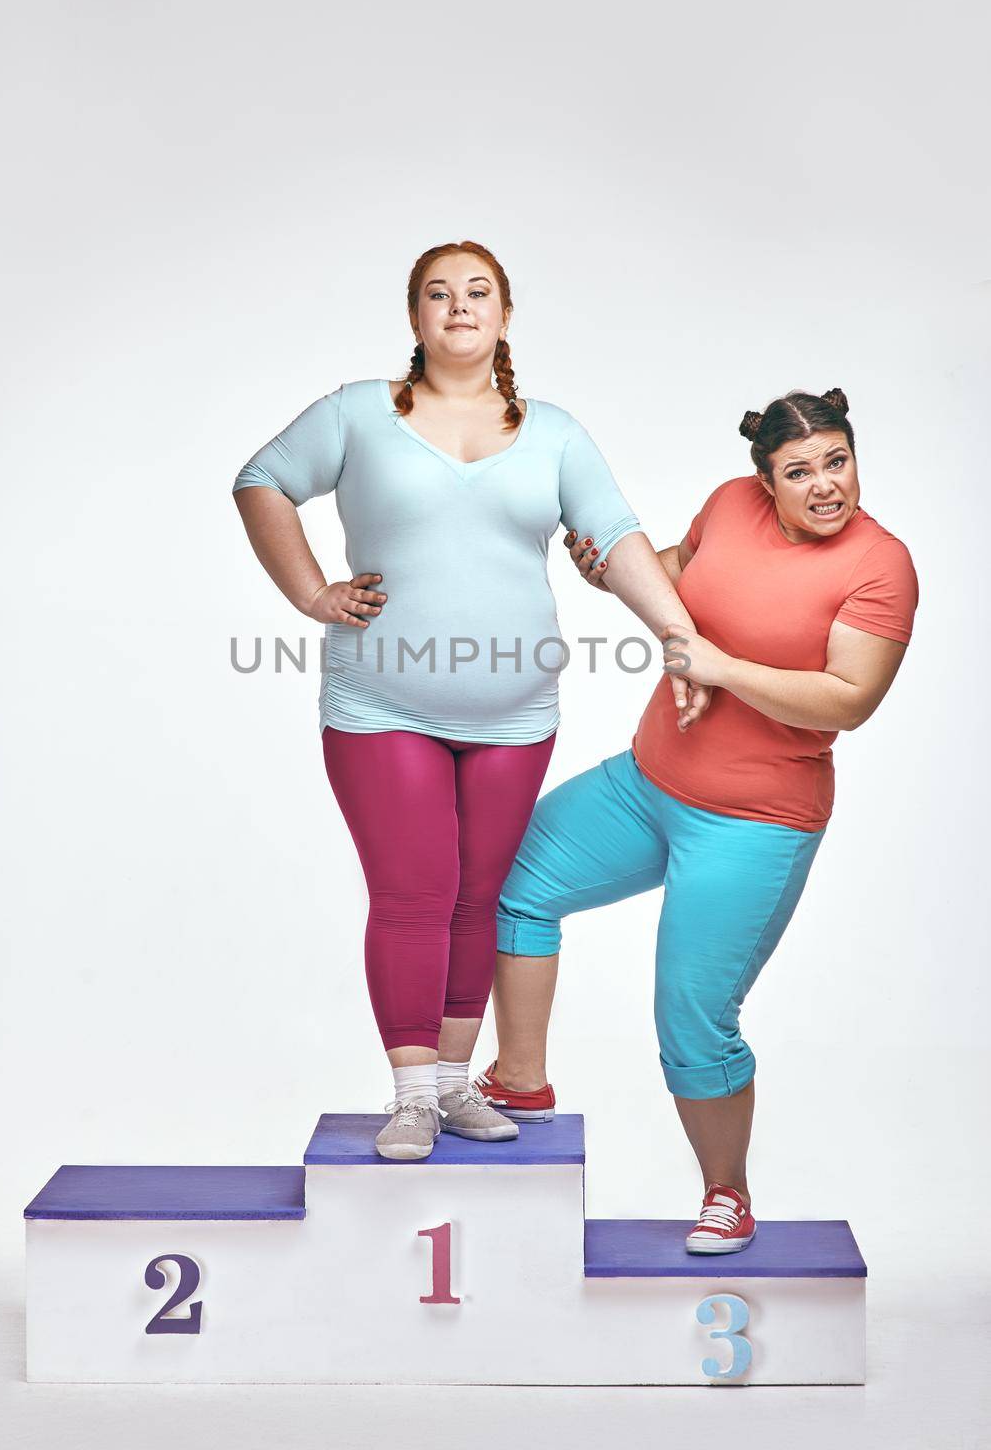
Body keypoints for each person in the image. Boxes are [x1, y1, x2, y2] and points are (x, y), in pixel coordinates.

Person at [231, 240, 708, 1160]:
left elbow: (614, 534)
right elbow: (261, 481)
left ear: (505, 313)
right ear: (414, 315)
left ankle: (456, 1087)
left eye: (477, 291)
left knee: (477, 897)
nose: (459, 306)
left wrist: (678, 637)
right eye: (438, 293)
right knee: (415, 892)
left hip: (517, 715)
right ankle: (412, 1094)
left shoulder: (557, 432)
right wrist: (311, 593)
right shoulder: (357, 415)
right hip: (382, 706)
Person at [474, 388, 918, 1250]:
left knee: (692, 1016)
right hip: (647, 784)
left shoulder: (880, 565)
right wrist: (603, 568)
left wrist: (720, 663)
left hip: (754, 824)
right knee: (514, 884)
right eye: (800, 471)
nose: (825, 485)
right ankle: (520, 1078)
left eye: (837, 462)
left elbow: (848, 698)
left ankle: (726, 1194)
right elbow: (676, 575)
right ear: (765, 480)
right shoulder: (728, 503)